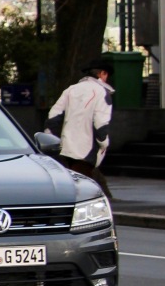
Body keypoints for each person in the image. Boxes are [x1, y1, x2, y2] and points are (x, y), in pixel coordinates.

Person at [45, 57, 115, 198]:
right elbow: (101, 122)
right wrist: (104, 143)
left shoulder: (71, 89)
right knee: (84, 190)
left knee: (72, 186)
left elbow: (54, 115)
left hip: (66, 147)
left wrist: (51, 138)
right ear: (102, 74)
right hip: (87, 149)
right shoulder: (102, 92)